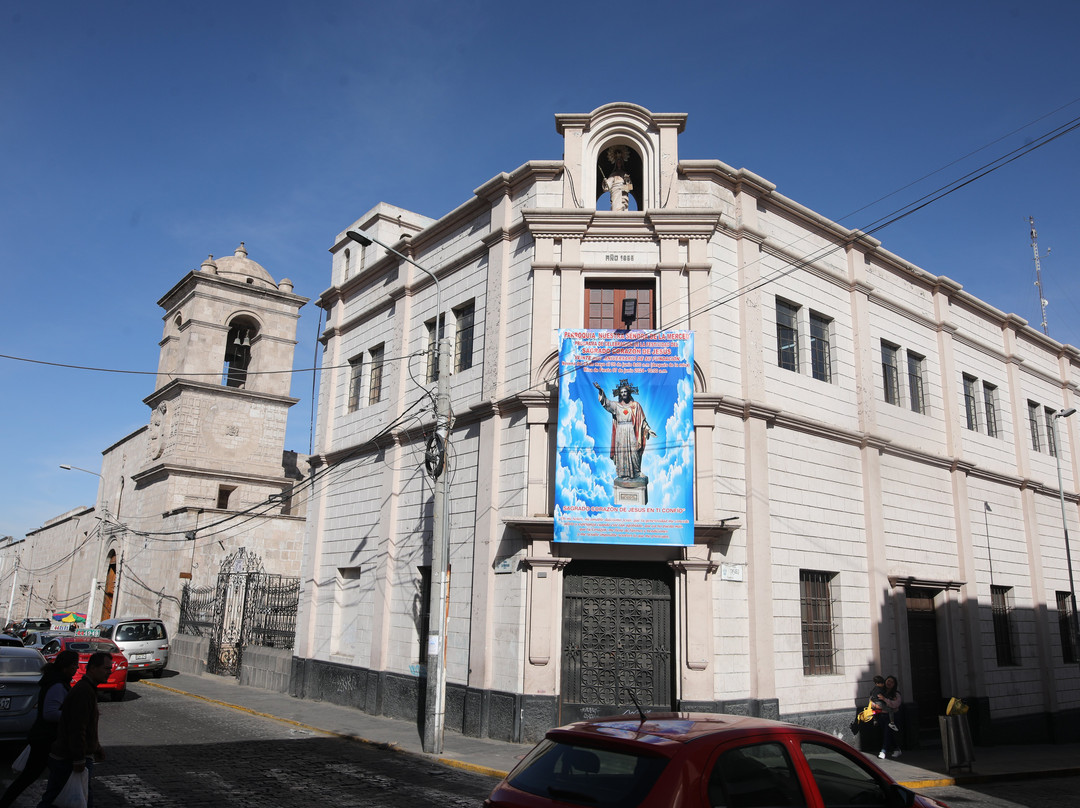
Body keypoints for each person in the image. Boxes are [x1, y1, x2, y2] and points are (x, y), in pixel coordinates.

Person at [0, 651, 79, 808]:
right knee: (34, 776)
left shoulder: (55, 680)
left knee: (47, 777)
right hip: (46, 739)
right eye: (74, 666)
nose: (76, 669)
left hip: (46, 738)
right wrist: (73, 714)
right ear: (66, 667)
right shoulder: (57, 684)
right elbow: (50, 713)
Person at [36, 651, 110, 808]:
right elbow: (77, 727)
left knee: (69, 798)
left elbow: (86, 725)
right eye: (105, 668)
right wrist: (79, 758)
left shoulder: (87, 689)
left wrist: (96, 747)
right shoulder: (83, 691)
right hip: (68, 759)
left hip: (71, 756)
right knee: (59, 800)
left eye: (110, 669)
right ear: (92, 668)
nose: (109, 672)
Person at [593, 380, 655, 479]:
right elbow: (606, 403)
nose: (623, 394)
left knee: (635, 452)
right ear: (620, 395)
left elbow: (642, 420)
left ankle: (637, 472)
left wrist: (648, 429)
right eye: (621, 392)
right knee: (622, 453)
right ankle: (623, 474)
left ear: (629, 393)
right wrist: (601, 390)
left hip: (632, 431)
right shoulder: (616, 406)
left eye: (625, 392)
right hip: (620, 432)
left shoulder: (636, 406)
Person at [875, 675, 902, 759]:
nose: (889, 683)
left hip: (892, 717)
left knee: (887, 732)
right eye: (888, 681)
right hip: (882, 715)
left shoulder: (896, 694)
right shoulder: (880, 691)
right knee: (888, 734)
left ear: (894, 684)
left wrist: (885, 700)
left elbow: (895, 704)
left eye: (892, 682)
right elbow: (873, 701)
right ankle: (897, 749)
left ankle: (883, 751)